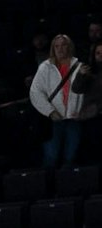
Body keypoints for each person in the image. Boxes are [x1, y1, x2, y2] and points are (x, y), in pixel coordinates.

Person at [30, 34, 88, 169]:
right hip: (53, 119)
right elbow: (35, 92)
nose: (60, 49)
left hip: (74, 118)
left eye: (64, 45)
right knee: (51, 156)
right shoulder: (45, 67)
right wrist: (50, 111)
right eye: (57, 46)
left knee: (71, 157)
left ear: (70, 47)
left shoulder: (79, 67)